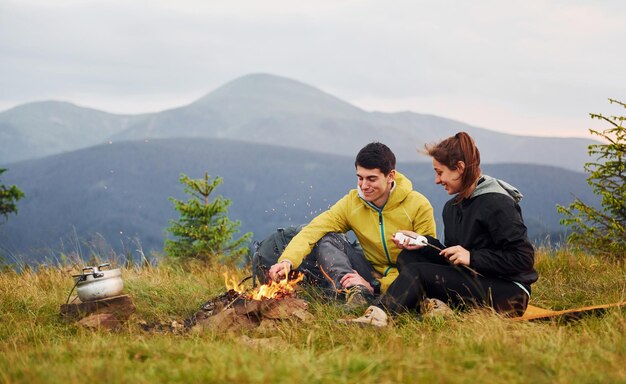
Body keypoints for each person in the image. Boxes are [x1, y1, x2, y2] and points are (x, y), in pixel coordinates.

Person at [346, 132, 538, 326]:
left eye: (440, 173)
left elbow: (523, 259)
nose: (437, 180)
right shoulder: (453, 207)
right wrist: (422, 242)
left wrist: (472, 257)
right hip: (476, 278)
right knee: (408, 257)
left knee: (417, 272)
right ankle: (437, 306)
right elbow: (453, 254)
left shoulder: (497, 203)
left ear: (459, 168)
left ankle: (378, 317)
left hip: (509, 292)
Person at [267, 142, 437, 304]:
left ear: (390, 176)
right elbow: (313, 229)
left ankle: (366, 292)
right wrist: (287, 261)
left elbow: (427, 261)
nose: (364, 186)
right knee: (328, 238)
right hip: (368, 270)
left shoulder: (418, 205)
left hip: (405, 277)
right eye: (360, 178)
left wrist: (378, 286)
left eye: (371, 179)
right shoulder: (352, 203)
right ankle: (355, 292)